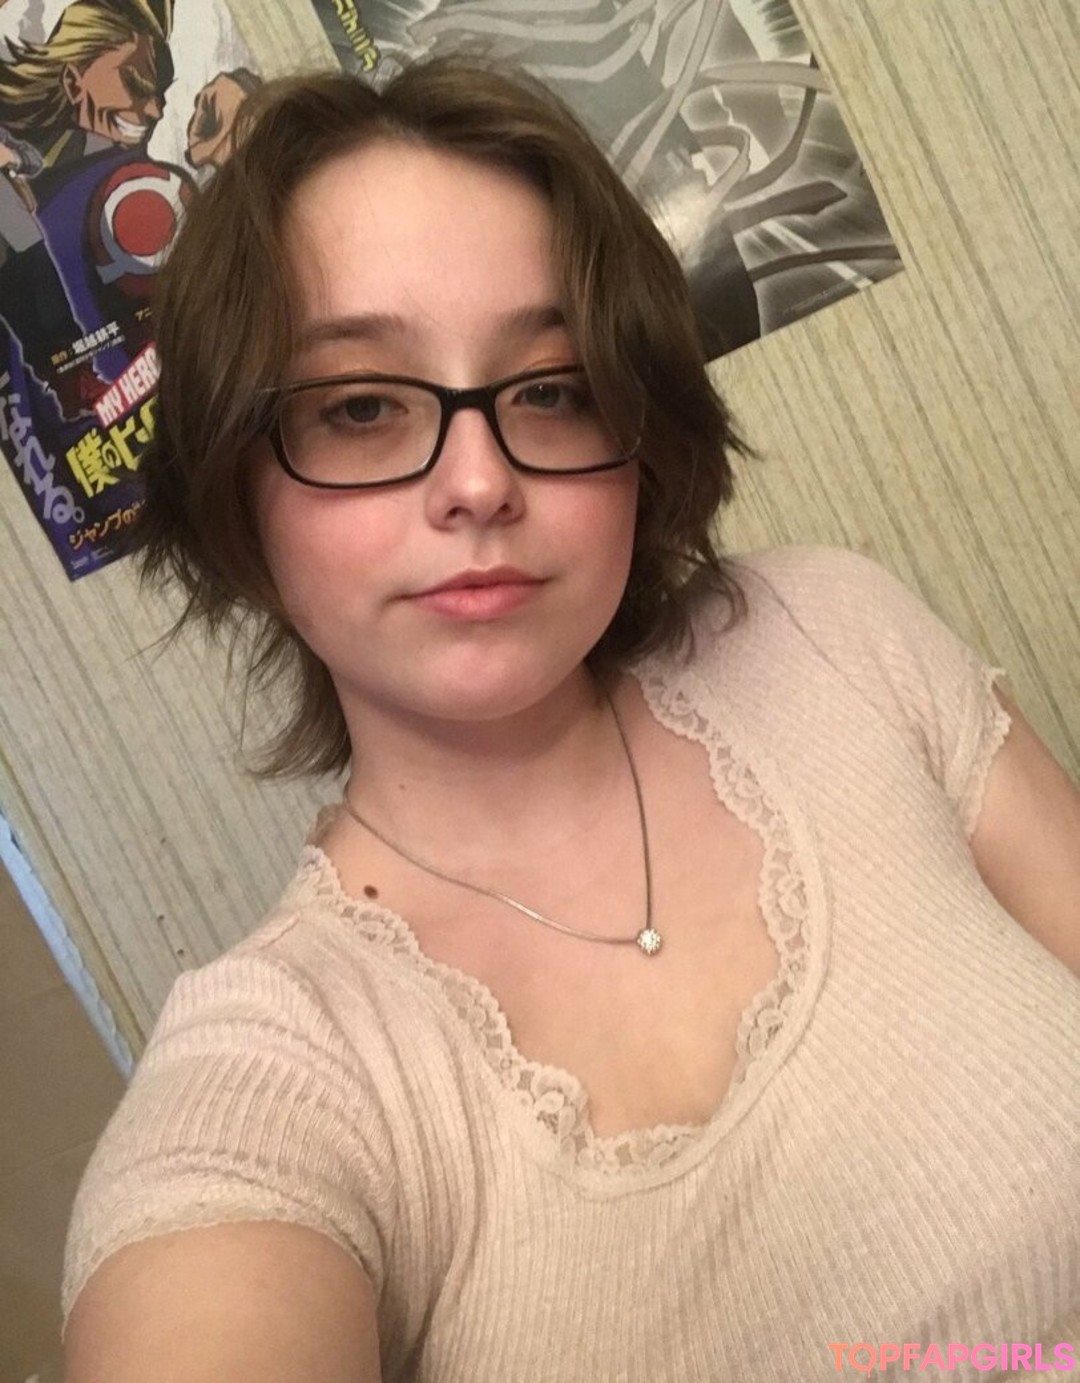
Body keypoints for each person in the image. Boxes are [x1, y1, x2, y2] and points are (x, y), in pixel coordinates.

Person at [60, 54, 1080, 1383]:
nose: (479, 481)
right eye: (359, 407)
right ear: (235, 489)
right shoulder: (285, 1076)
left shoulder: (834, 632)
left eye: (549, 387)